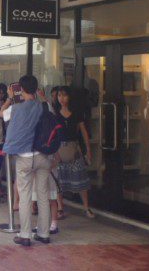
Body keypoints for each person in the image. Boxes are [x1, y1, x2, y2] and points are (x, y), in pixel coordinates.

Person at [3, 75, 52, 247]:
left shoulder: (16, 108)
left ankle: (25, 235)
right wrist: (43, 97)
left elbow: (1, 114)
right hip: (44, 157)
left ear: (21, 90)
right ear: (37, 89)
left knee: (25, 197)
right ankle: (44, 233)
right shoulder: (45, 106)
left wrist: (10, 98)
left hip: (24, 157)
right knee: (43, 196)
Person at [54, 86, 95, 220]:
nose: (62, 98)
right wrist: (54, 152)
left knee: (81, 179)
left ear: (70, 97)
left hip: (74, 148)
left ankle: (86, 207)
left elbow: (83, 132)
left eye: (64, 95)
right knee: (59, 181)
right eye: (59, 95)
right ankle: (60, 208)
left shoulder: (76, 112)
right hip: (59, 149)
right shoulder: (55, 112)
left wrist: (88, 150)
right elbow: (52, 134)